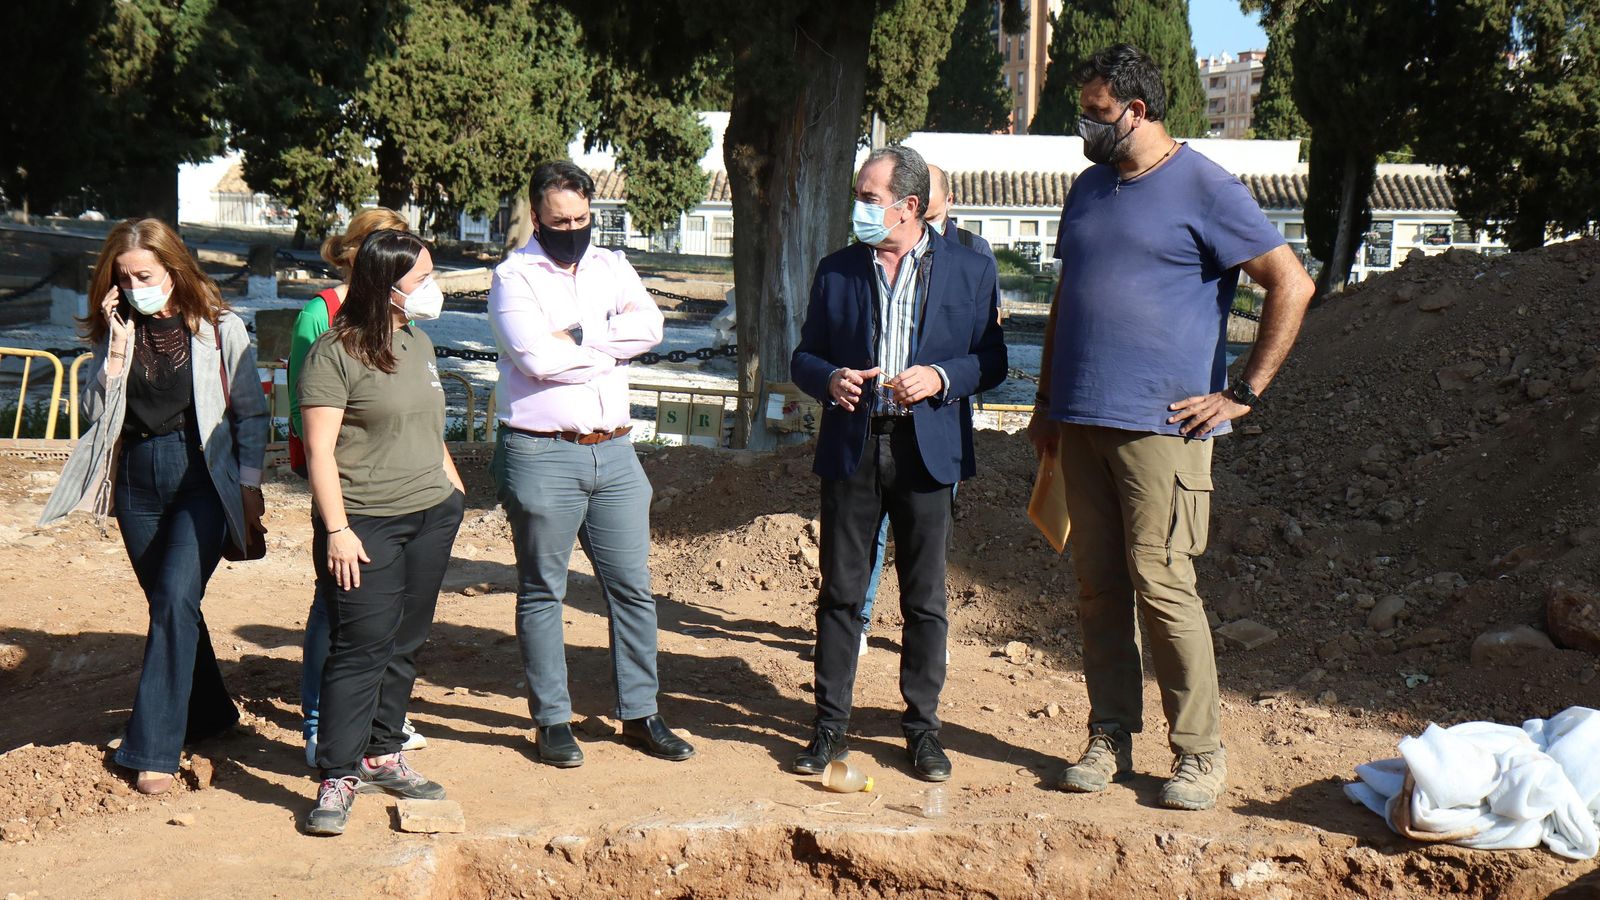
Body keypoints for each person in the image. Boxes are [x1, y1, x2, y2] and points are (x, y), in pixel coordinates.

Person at [1029, 44, 1314, 811]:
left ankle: (1199, 755)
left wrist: (1244, 392)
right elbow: (1067, 298)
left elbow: (1292, 281)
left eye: (1094, 114)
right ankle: (1109, 736)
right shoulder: (1088, 189)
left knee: (1162, 587)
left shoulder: (1207, 187)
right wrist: (1045, 404)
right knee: (1097, 590)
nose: (1084, 128)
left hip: (1162, 429)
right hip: (1081, 420)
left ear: (1138, 111)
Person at [790, 145, 1007, 782]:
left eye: (868, 198)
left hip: (926, 448)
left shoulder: (968, 270)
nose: (858, 208)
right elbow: (804, 355)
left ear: (908, 206)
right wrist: (831, 379)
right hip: (853, 446)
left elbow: (991, 361)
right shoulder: (836, 270)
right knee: (840, 594)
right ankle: (828, 728)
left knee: (925, 599)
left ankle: (922, 732)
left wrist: (940, 377)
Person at [39, 218, 269, 796]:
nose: (135, 285)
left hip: (202, 476)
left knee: (172, 598)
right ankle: (212, 711)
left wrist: (249, 485)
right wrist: (115, 349)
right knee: (174, 605)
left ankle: (153, 747)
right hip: (137, 479)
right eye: (124, 277)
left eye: (144, 274)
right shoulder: (115, 329)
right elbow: (96, 411)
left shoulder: (220, 328)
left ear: (174, 269)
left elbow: (250, 413)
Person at [488, 160, 693, 768]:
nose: (572, 229)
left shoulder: (610, 265)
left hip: (617, 451)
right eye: (559, 220)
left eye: (581, 218)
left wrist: (577, 340)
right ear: (537, 215)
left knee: (632, 588)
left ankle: (641, 713)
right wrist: (607, 346)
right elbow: (534, 359)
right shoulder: (513, 276)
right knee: (543, 590)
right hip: (542, 452)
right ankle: (552, 721)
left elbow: (651, 326)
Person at [297, 230, 466, 836]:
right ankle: (338, 773)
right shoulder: (333, 354)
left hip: (430, 514)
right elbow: (318, 453)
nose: (432, 289)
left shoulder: (418, 342)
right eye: (422, 280)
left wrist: (451, 488)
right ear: (385, 286)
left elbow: (428, 423)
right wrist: (336, 529)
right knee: (360, 646)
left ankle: (382, 750)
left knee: (405, 640)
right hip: (364, 523)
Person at [285, 207, 427, 767]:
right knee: (335, 603)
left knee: (383, 609)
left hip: (399, 487)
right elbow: (306, 413)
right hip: (345, 490)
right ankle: (319, 718)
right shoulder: (319, 316)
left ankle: (380, 717)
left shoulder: (405, 321)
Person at [854, 162, 997, 655]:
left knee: (927, 546)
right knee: (867, 539)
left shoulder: (972, 257)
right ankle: (861, 618)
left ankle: (927, 637)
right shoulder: (863, 259)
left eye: (932, 213)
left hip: (938, 425)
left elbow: (986, 350)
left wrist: (941, 377)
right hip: (870, 430)